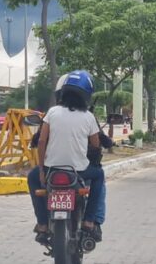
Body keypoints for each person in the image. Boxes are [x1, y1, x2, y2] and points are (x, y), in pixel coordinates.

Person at [27, 70, 106, 245]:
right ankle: (89, 220)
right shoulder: (89, 117)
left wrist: (41, 169)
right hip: (79, 172)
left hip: (51, 170)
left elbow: (41, 141)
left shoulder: (52, 112)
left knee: (32, 178)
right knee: (99, 175)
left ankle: (42, 224)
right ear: (86, 96)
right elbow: (95, 144)